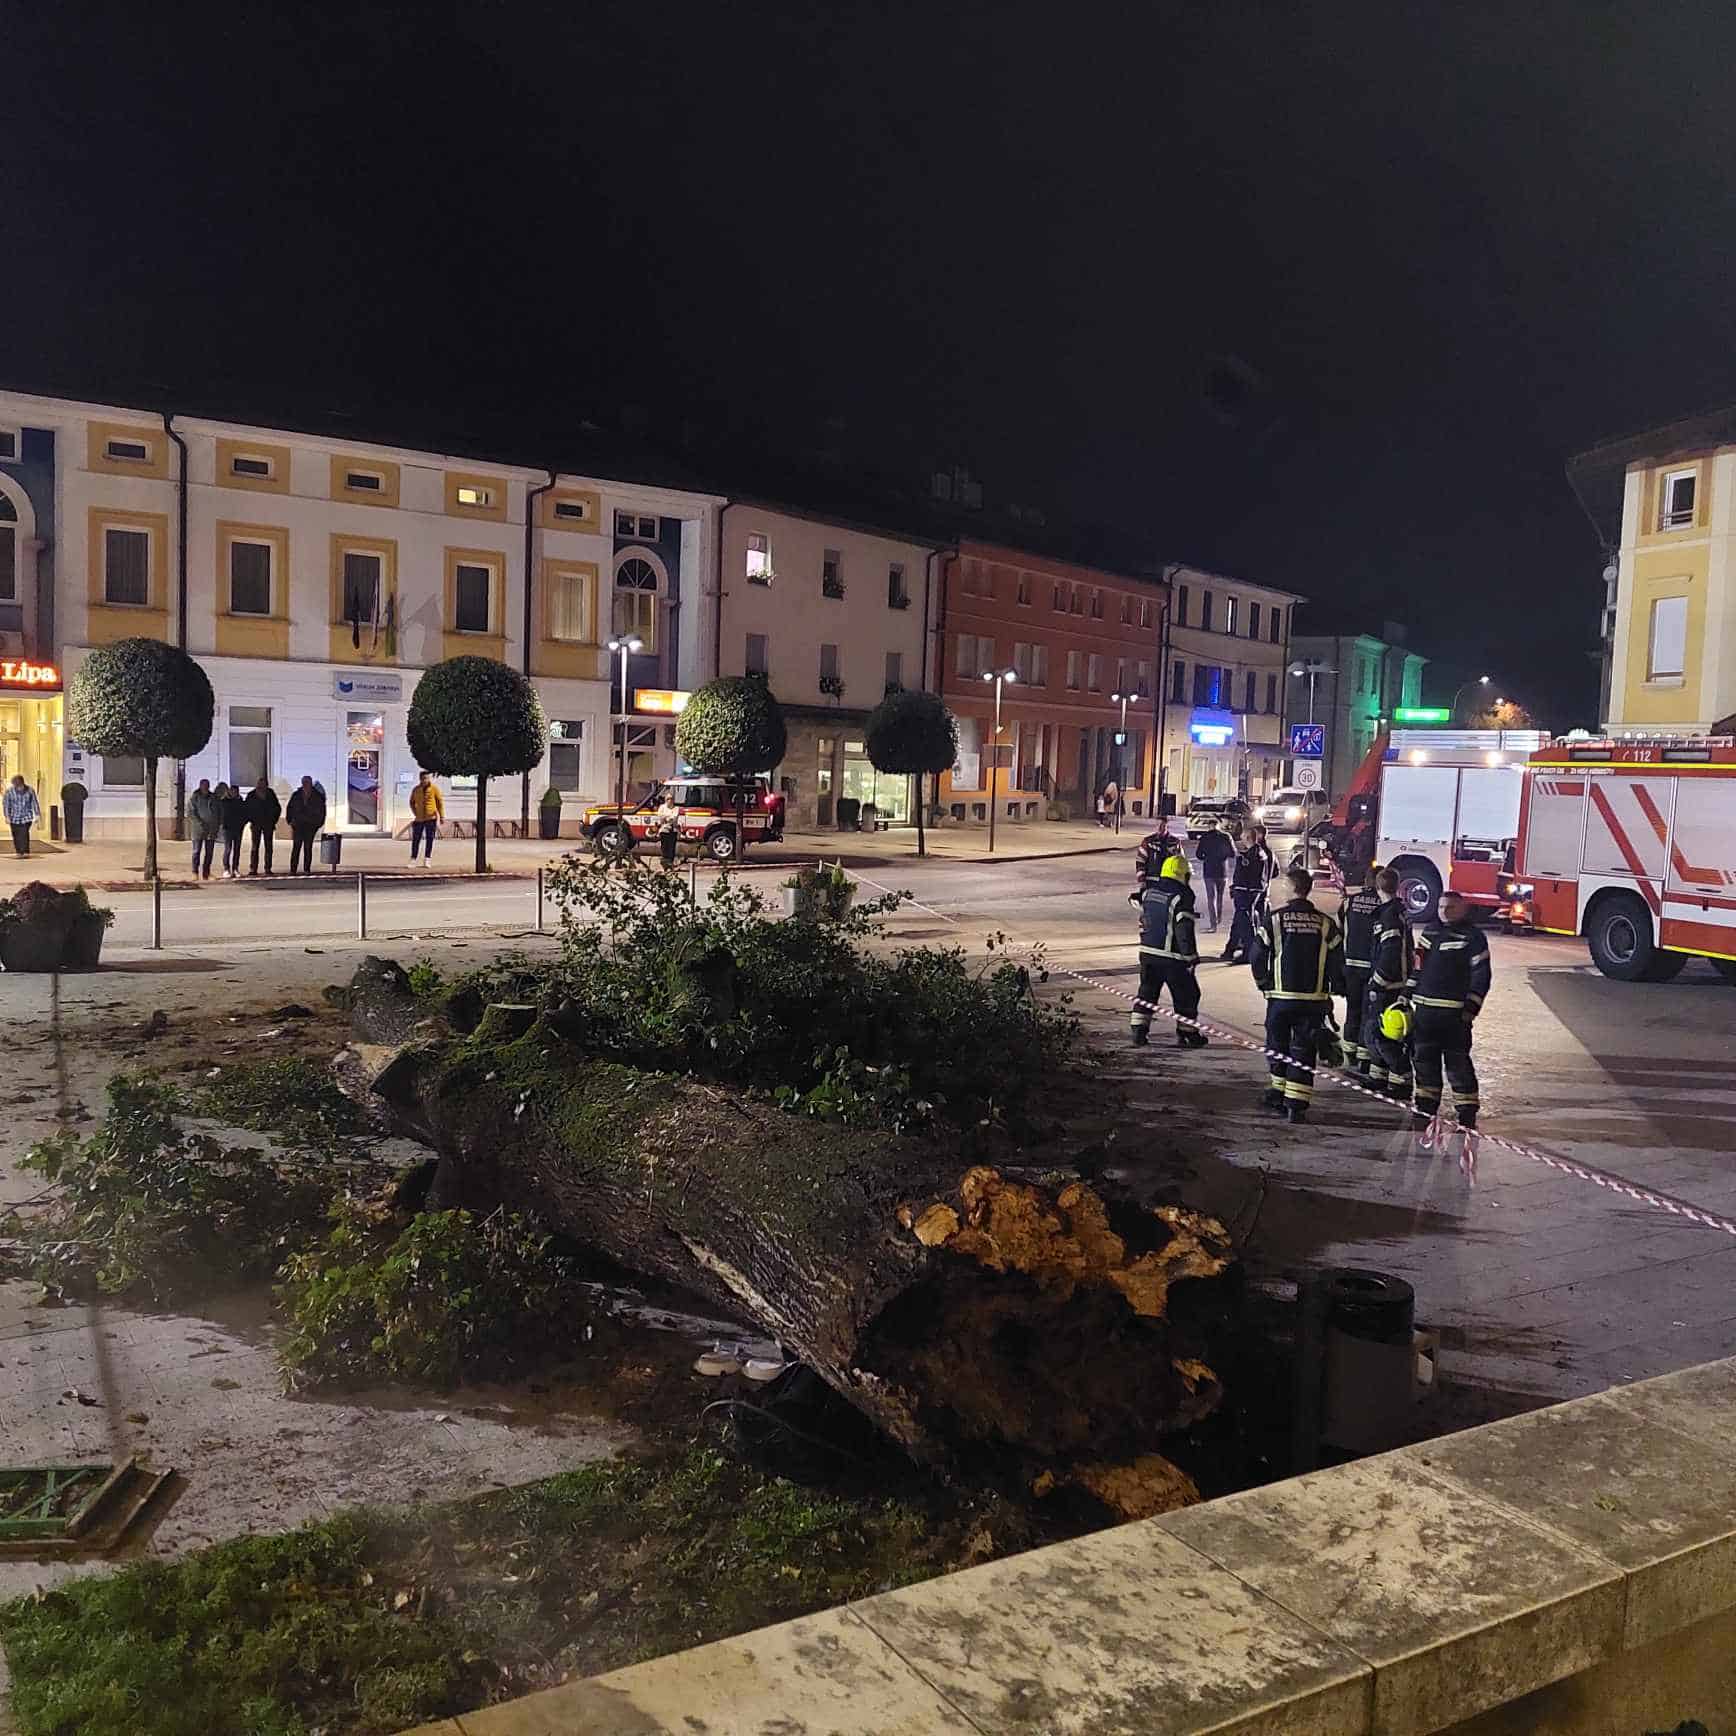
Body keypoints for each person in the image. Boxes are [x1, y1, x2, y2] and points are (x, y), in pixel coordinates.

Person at [1250, 865, 1344, 1124]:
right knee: (1304, 1050)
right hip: (1313, 1000)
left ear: (1291, 889)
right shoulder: (1326, 923)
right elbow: (1338, 960)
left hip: (1281, 997)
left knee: (1277, 1044)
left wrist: (1263, 983)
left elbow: (1257, 955)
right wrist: (1334, 988)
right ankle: (1297, 1106)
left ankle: (1277, 1093)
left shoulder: (1275, 919)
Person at [1407, 889, 1490, 1137]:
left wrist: (1470, 1010)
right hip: (1425, 1015)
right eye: (1442, 907)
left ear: (1463, 909)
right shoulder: (1429, 932)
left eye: (1451, 907)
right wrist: (1405, 997)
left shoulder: (1473, 937)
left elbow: (1482, 976)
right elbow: (1417, 969)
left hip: (1454, 1017)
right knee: (1424, 1065)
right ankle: (1425, 1112)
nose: (1444, 911)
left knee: (1458, 1066)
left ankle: (1466, 1116)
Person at [1130, 853, 1209, 1049]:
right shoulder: (1183, 895)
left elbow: (1140, 906)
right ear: (1182, 875)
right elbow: (1183, 930)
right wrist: (1190, 957)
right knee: (1188, 994)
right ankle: (1187, 1033)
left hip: (1147, 953)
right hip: (1172, 957)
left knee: (1147, 992)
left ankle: (1138, 1031)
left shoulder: (1150, 891)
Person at [1365, 867, 1415, 1099]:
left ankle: (1401, 1080)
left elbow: (1390, 952)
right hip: (1399, 983)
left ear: (1377, 888)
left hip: (1389, 986)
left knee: (1382, 1034)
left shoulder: (1388, 916)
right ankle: (1380, 1077)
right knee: (1381, 1033)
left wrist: (1377, 982)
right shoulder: (1399, 911)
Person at [1338, 861, 1385, 1084]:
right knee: (1369, 1014)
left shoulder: (1350, 901)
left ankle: (1349, 1056)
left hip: (1350, 964)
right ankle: (1365, 1059)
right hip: (1371, 967)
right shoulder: (1382, 905)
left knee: (1352, 1010)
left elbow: (1341, 929)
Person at [1223, 823, 1276, 962]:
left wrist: (1237, 888)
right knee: (1241, 921)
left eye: (1242, 836)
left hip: (1247, 893)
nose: (1240, 838)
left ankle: (1249, 952)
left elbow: (1246, 876)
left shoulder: (1252, 855)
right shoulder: (1260, 852)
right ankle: (1231, 949)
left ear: (1248, 837)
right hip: (1253, 892)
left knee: (1246, 922)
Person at [1193, 817, 1234, 932]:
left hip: (1209, 871)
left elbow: (1198, 854)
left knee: (1211, 898)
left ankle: (1213, 924)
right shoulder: (1226, 837)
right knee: (1220, 896)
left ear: (1209, 826)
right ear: (1218, 825)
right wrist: (1222, 856)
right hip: (1222, 870)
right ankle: (1218, 918)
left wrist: (1207, 856)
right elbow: (1232, 853)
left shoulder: (1205, 837)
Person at [286, 775, 326, 876]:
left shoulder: (317, 796)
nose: (306, 784)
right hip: (298, 825)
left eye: (307, 782)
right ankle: (293, 869)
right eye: (304, 782)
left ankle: (306, 869)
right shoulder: (296, 795)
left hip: (310, 825)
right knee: (296, 847)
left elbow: (322, 810)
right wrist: (290, 820)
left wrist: (319, 823)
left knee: (308, 848)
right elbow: (289, 807)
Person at [245, 775, 281, 876]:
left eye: (264, 784)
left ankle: (268, 868)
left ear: (266, 785)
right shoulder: (251, 795)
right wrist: (251, 819)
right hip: (256, 825)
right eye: (260, 784)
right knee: (254, 847)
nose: (261, 786)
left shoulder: (271, 794)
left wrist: (274, 820)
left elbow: (277, 808)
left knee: (269, 847)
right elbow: (246, 809)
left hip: (268, 824)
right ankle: (253, 869)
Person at [1134, 813, 1180, 890]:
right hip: (1151, 881)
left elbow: (1180, 861)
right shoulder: (1148, 841)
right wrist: (1141, 879)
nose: (1159, 828)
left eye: (1162, 825)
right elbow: (1140, 860)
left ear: (1167, 826)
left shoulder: (1174, 842)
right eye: (1157, 825)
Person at [187, 777, 220, 879]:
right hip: (198, 830)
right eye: (203, 785)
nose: (205, 787)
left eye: (207, 785)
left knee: (209, 852)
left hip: (211, 830)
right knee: (196, 851)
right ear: (200, 786)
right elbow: (191, 812)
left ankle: (206, 873)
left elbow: (219, 811)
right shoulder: (195, 798)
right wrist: (199, 823)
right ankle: (194, 872)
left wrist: (218, 823)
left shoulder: (213, 798)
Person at [409, 771, 444, 862]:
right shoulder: (416, 789)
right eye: (423, 778)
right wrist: (416, 813)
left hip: (431, 818)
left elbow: (439, 803)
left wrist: (442, 816)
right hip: (419, 818)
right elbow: (411, 802)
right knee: (416, 839)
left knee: (430, 838)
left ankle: (427, 858)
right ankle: (413, 858)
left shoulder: (434, 789)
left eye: (427, 778)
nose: (425, 780)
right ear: (420, 779)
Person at [4, 774, 39, 858]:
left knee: (24, 833)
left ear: (23, 783)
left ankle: (25, 851)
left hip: (26, 817)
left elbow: (34, 803)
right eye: (16, 786)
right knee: (16, 834)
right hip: (14, 817)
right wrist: (7, 816)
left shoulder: (30, 790)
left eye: (20, 786)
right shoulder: (9, 792)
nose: (18, 788)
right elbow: (6, 805)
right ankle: (19, 852)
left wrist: (37, 814)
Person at [218, 781, 247, 878]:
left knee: (237, 849)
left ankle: (235, 869)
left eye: (236, 791)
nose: (234, 793)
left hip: (238, 829)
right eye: (233, 791)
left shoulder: (241, 802)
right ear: (229, 792)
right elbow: (222, 815)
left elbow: (245, 815)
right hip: (227, 829)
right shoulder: (224, 802)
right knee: (228, 849)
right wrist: (223, 824)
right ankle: (226, 869)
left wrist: (242, 824)